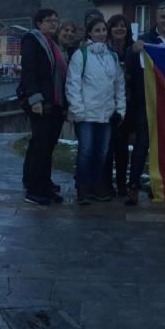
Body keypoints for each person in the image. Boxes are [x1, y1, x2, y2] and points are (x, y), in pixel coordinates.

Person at [124, 2, 165, 206]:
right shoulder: (144, 41)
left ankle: (162, 186)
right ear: (155, 20)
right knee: (142, 145)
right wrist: (133, 51)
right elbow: (129, 68)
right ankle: (133, 186)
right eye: (163, 17)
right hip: (146, 103)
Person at [66, 17, 126, 205]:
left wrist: (120, 110)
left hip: (106, 114)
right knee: (86, 151)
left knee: (102, 152)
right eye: (97, 30)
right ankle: (83, 187)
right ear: (90, 33)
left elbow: (119, 85)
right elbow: (73, 83)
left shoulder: (112, 56)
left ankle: (97, 185)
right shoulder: (81, 55)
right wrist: (78, 110)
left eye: (103, 30)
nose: (101, 33)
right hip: (85, 114)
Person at [18, 9, 68, 205]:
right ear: (39, 23)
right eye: (49, 21)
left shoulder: (53, 45)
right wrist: (35, 99)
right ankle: (35, 190)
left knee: (46, 146)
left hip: (54, 102)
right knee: (41, 145)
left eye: (56, 20)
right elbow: (29, 71)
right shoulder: (33, 40)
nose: (53, 24)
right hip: (41, 102)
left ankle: (42, 182)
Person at [101, 14, 133, 198]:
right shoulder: (103, 49)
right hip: (105, 104)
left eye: (123, 26)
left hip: (126, 103)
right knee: (106, 146)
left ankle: (121, 183)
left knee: (122, 147)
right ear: (109, 29)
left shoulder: (133, 49)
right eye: (115, 26)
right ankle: (105, 183)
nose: (120, 29)